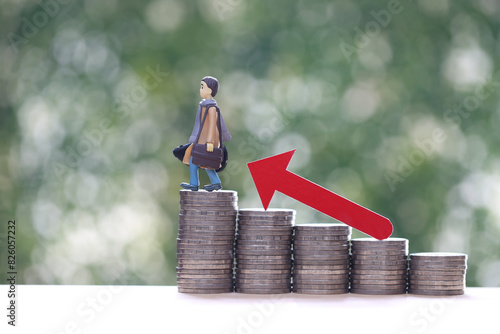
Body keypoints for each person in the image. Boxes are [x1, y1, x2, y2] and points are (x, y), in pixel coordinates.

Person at [180, 76, 231, 191]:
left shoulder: (212, 108)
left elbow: (213, 125)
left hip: (208, 140)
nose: (200, 89)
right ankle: (203, 183)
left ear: (210, 90)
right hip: (201, 138)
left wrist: (209, 141)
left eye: (202, 87)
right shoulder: (204, 104)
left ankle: (203, 183)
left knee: (206, 162)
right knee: (200, 161)